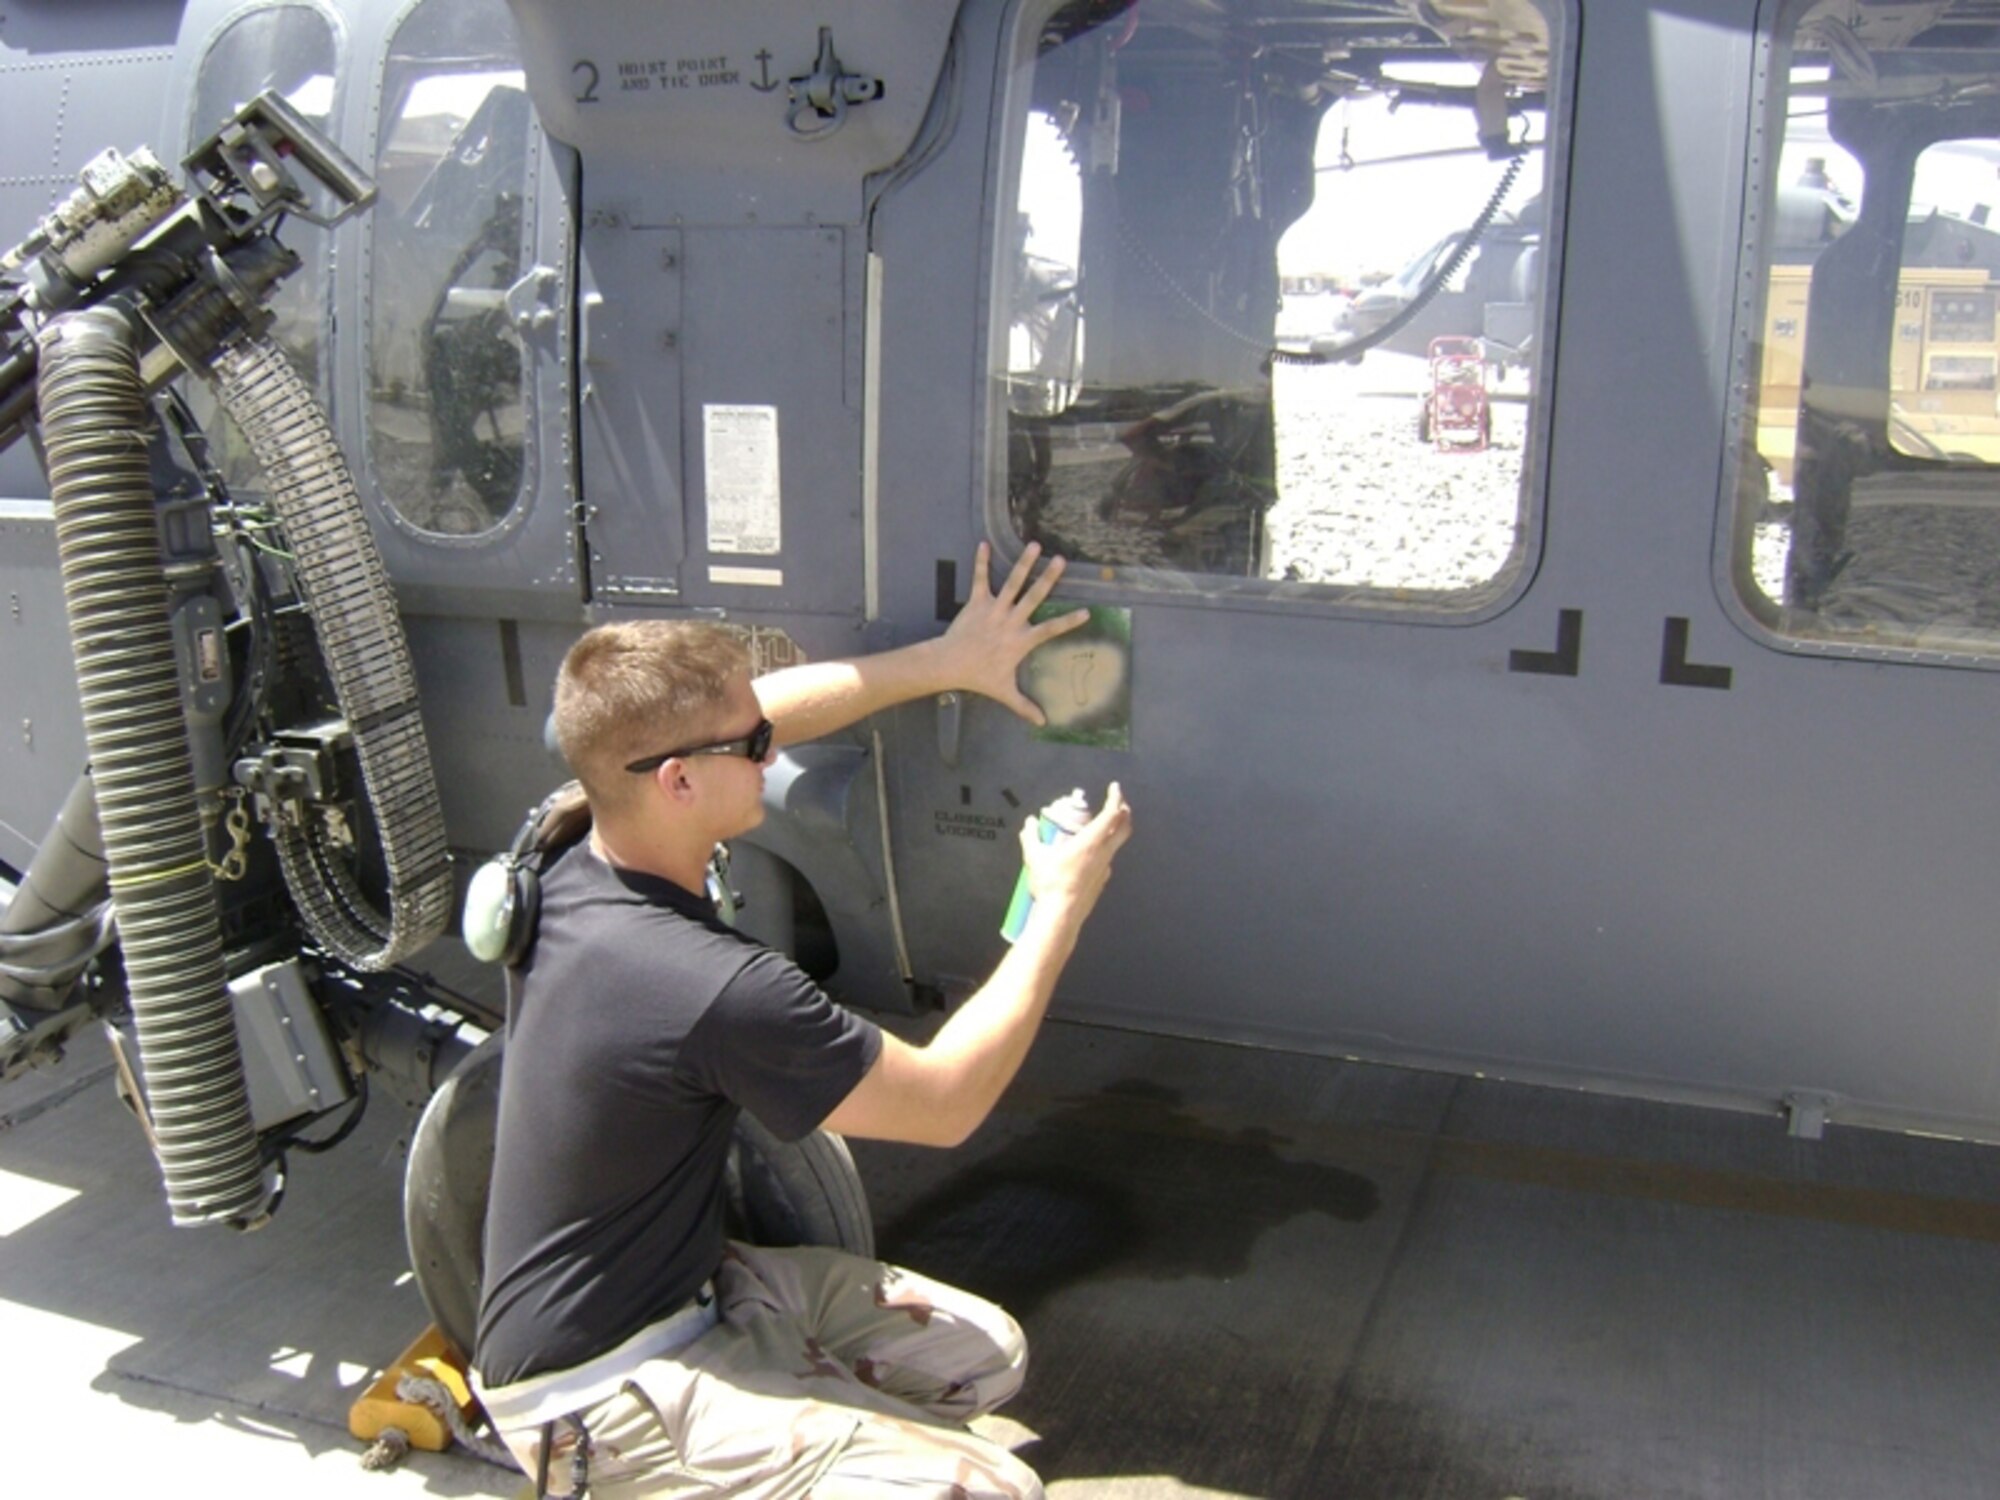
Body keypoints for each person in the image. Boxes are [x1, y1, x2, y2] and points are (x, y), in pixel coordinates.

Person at [471, 541, 1134, 1498]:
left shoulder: (575, 826)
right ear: (680, 784)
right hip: (596, 1390)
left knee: (982, 1356)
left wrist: (947, 663)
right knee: (991, 1490)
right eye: (751, 750)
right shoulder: (708, 985)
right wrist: (1059, 906)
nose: (773, 752)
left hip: (694, 1284)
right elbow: (946, 1104)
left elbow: (752, 716)